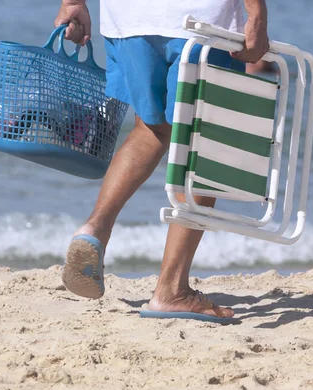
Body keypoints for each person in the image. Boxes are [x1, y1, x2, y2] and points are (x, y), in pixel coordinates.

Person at [55, 0, 269, 322]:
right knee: (205, 144)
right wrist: (257, 15)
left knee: (151, 129)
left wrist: (73, 3)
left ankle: (94, 228)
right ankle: (172, 290)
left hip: (128, 19)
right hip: (199, 22)